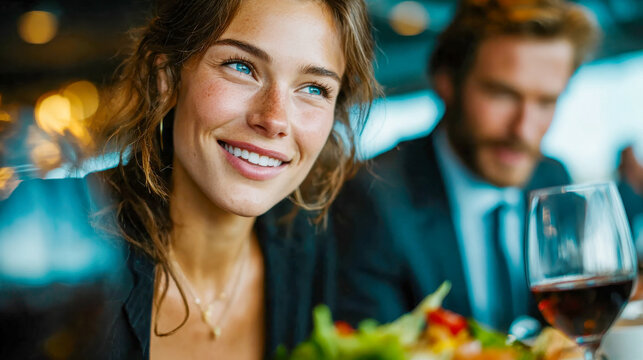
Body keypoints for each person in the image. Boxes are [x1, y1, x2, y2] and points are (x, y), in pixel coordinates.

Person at [0, 0, 377, 359]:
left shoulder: (319, 258)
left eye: (314, 88)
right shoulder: (48, 238)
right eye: (241, 67)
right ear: (168, 78)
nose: (274, 119)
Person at [332, 0, 599, 332]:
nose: (523, 129)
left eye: (546, 101)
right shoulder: (372, 197)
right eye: (502, 94)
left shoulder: (554, 179)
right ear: (446, 81)